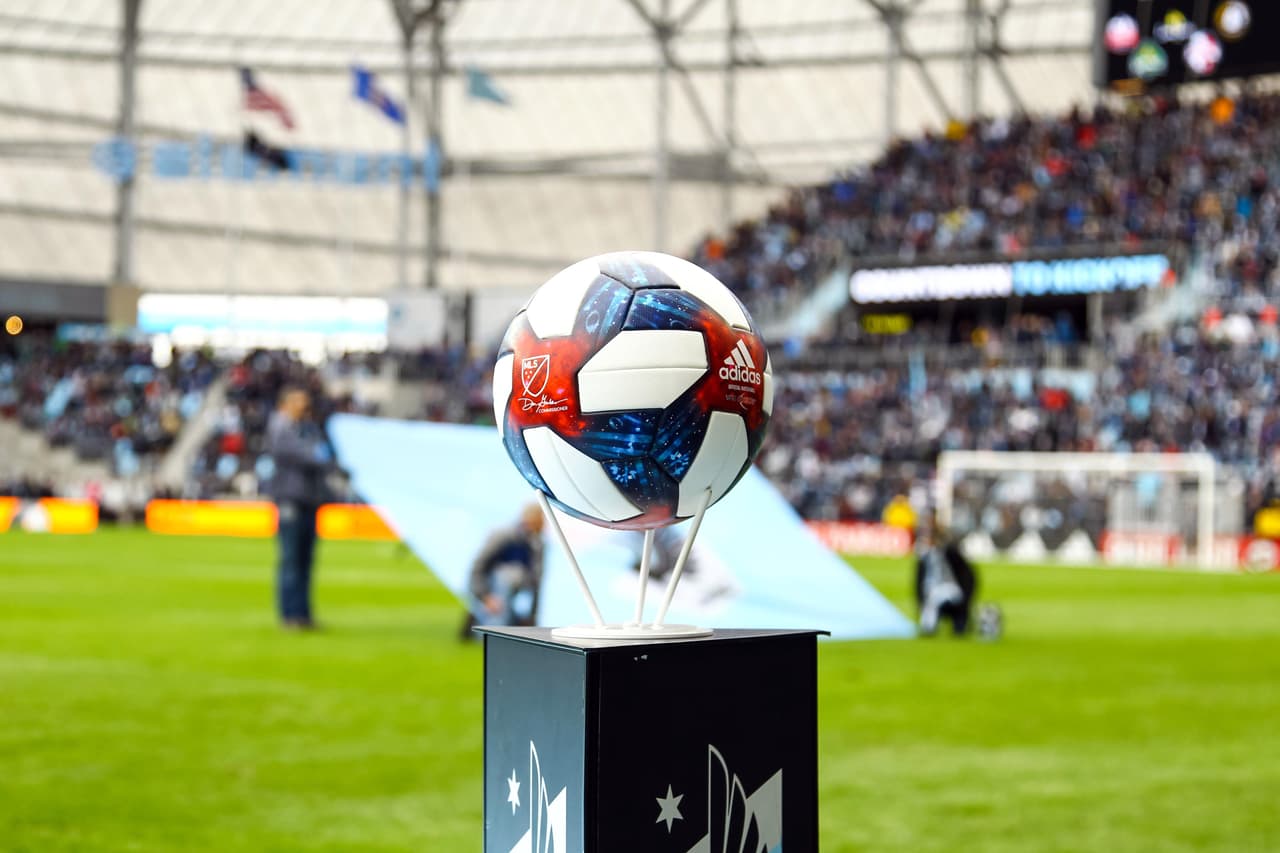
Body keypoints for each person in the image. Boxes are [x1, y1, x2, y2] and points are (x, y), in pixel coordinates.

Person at [264, 385, 335, 630]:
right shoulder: (281, 427)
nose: (303, 407)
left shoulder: (305, 428)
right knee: (291, 560)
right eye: (298, 402)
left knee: (305, 561)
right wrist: (324, 459)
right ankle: (290, 615)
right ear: (284, 404)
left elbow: (320, 452)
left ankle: (302, 614)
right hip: (290, 501)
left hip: (308, 501)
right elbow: (308, 456)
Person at [462, 504, 545, 639]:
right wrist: (485, 597)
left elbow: (537, 582)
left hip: (513, 591)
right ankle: (487, 627)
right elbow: (478, 568)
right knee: (509, 575)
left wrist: (532, 618)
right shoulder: (503, 535)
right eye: (543, 518)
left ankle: (497, 625)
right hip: (492, 589)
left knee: (515, 577)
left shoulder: (537, 544)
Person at [914, 522, 978, 636]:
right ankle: (930, 625)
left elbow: (967, 575)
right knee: (933, 601)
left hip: (947, 590)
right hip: (937, 591)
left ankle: (934, 625)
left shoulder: (950, 553)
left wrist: (966, 597)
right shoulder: (925, 557)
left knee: (937, 600)